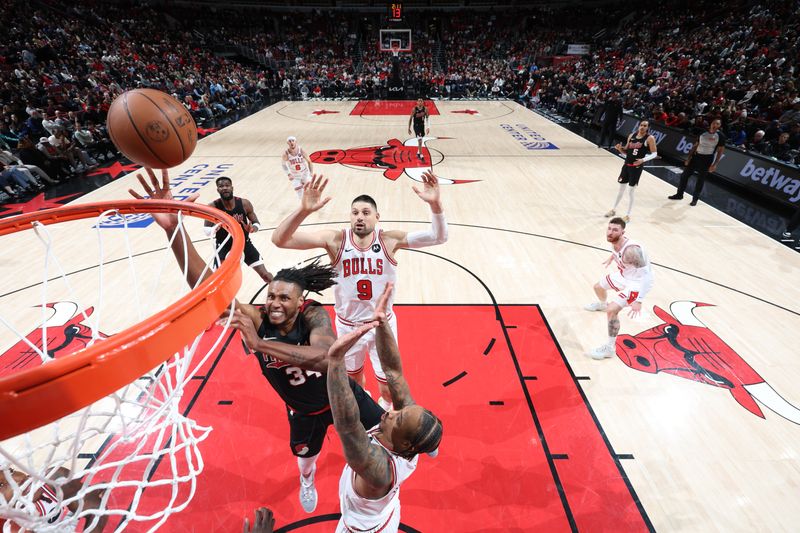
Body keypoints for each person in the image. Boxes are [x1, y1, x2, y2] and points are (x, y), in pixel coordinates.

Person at [129, 169, 386, 515]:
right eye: (271, 295)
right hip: (304, 410)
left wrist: (261, 345)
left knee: (385, 432)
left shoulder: (315, 316)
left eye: (284, 298)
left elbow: (325, 358)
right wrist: (174, 230)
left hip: (342, 395)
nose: (275, 303)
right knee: (305, 459)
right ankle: (308, 480)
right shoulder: (258, 318)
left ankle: (424, 440)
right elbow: (208, 287)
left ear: (300, 302)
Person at [271, 172, 448, 410]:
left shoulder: (388, 240)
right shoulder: (335, 240)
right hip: (347, 325)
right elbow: (280, 240)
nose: (359, 218)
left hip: (381, 327)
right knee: (353, 380)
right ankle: (366, 415)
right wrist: (304, 210)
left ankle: (387, 414)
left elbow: (438, 237)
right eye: (355, 213)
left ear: (377, 217)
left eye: (365, 213)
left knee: (388, 386)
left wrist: (435, 204)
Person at [327, 283, 442, 533]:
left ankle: (432, 445)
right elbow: (393, 372)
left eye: (397, 419)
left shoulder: (378, 471)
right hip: (389, 507)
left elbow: (347, 425)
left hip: (364, 530)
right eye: (402, 410)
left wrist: (335, 362)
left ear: (406, 446)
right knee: (384, 402)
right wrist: (382, 323)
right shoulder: (404, 433)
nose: (391, 412)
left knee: (350, 398)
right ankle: (432, 446)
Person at [584, 217, 654, 360]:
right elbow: (619, 252)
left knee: (612, 310)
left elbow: (645, 276)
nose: (610, 232)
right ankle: (602, 304)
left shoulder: (632, 251)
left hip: (637, 282)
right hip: (625, 274)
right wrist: (613, 257)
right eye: (609, 229)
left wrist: (639, 300)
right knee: (598, 287)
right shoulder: (616, 242)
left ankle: (610, 348)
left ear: (623, 232)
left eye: (615, 230)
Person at [204, 176, 273, 284]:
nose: (225, 188)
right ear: (218, 190)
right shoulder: (213, 206)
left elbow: (256, 223)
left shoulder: (244, 203)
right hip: (224, 245)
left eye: (227, 185)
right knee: (219, 280)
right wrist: (216, 227)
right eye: (221, 186)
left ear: (232, 187)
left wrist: (252, 228)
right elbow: (207, 230)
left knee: (266, 275)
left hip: (244, 244)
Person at [0, 467, 107, 531]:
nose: (20, 478)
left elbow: (98, 509)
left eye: (10, 471)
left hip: (63, 523)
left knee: (82, 495)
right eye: (0, 485)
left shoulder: (53, 478)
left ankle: (88, 491)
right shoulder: (13, 528)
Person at [604, 120, 658, 222]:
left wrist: (642, 160)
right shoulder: (631, 135)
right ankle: (613, 209)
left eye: (645, 126)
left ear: (648, 128)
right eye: (641, 125)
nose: (642, 127)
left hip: (636, 168)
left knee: (631, 191)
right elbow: (626, 152)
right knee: (621, 189)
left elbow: (654, 154)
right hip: (626, 165)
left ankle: (628, 215)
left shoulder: (649, 138)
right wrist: (620, 149)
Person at [668, 118, 726, 206]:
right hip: (696, 156)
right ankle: (679, 195)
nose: (715, 125)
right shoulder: (702, 132)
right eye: (714, 123)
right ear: (711, 123)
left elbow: (721, 150)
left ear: (719, 126)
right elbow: (696, 145)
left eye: (717, 124)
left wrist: (715, 164)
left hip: (707, 159)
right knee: (684, 176)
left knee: (700, 180)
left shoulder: (720, 136)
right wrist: (688, 158)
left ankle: (695, 199)